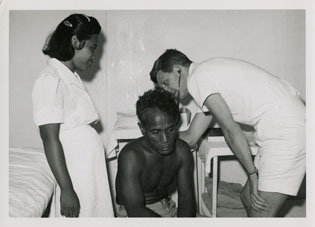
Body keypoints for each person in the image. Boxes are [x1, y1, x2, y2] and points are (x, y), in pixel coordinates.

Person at [149, 49, 305, 217]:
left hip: (286, 130)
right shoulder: (205, 73)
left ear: (178, 69)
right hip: (286, 121)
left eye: (165, 82)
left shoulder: (197, 79)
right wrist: (151, 139)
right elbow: (192, 136)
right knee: (246, 197)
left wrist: (252, 175)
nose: (165, 89)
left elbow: (231, 130)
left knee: (261, 213)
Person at [32, 14, 114, 217]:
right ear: (75, 42)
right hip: (74, 172)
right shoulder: (50, 79)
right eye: (92, 48)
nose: (94, 56)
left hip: (87, 170)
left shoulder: (71, 78)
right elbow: (49, 138)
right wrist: (67, 190)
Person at [115, 88, 196, 217]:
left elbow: (186, 199)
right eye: (156, 132)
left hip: (167, 207)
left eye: (170, 129)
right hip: (134, 216)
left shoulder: (182, 151)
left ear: (177, 123)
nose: (165, 140)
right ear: (142, 129)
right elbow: (135, 210)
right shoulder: (131, 156)